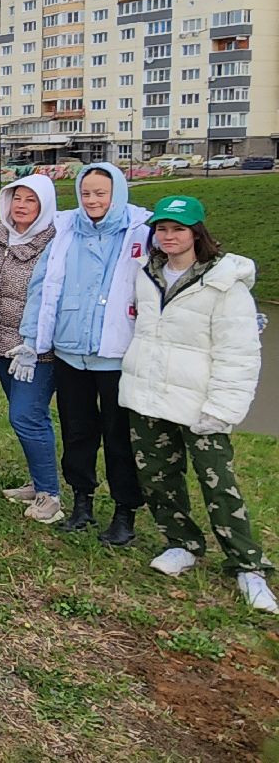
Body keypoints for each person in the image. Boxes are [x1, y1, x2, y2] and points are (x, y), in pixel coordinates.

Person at [119, 194, 276, 613]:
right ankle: (181, 542)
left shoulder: (224, 283)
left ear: (197, 233)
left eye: (178, 229)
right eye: (163, 229)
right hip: (149, 393)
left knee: (218, 483)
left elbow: (239, 352)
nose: (169, 236)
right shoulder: (146, 274)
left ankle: (247, 565)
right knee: (157, 475)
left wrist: (223, 408)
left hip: (198, 399)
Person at [20, 162, 150, 544]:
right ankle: (82, 503)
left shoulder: (139, 233)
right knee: (78, 432)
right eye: (86, 193)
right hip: (71, 350)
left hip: (115, 353)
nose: (92, 200)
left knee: (118, 435)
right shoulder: (65, 231)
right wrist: (32, 338)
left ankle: (125, 513)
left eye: (100, 193)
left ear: (117, 194)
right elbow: (42, 286)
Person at [0, 174, 63, 524]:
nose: (22, 206)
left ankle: (50, 495)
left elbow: (54, 293)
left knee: (26, 416)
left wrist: (36, 342)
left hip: (33, 351)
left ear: (44, 205)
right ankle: (37, 482)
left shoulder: (54, 244)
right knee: (25, 414)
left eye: (31, 200)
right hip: (0, 343)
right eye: (17, 199)